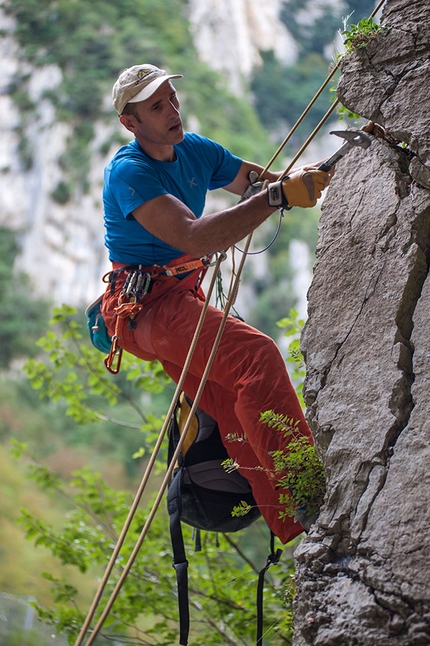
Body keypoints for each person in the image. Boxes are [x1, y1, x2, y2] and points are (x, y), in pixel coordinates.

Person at [101, 64, 332, 543]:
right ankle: (306, 489)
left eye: (171, 99)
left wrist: (313, 179)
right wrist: (275, 197)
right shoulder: (130, 173)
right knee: (256, 355)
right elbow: (193, 235)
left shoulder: (194, 150)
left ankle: (296, 525)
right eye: (157, 106)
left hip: (177, 298)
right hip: (146, 308)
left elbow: (253, 180)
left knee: (230, 405)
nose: (173, 111)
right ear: (131, 122)